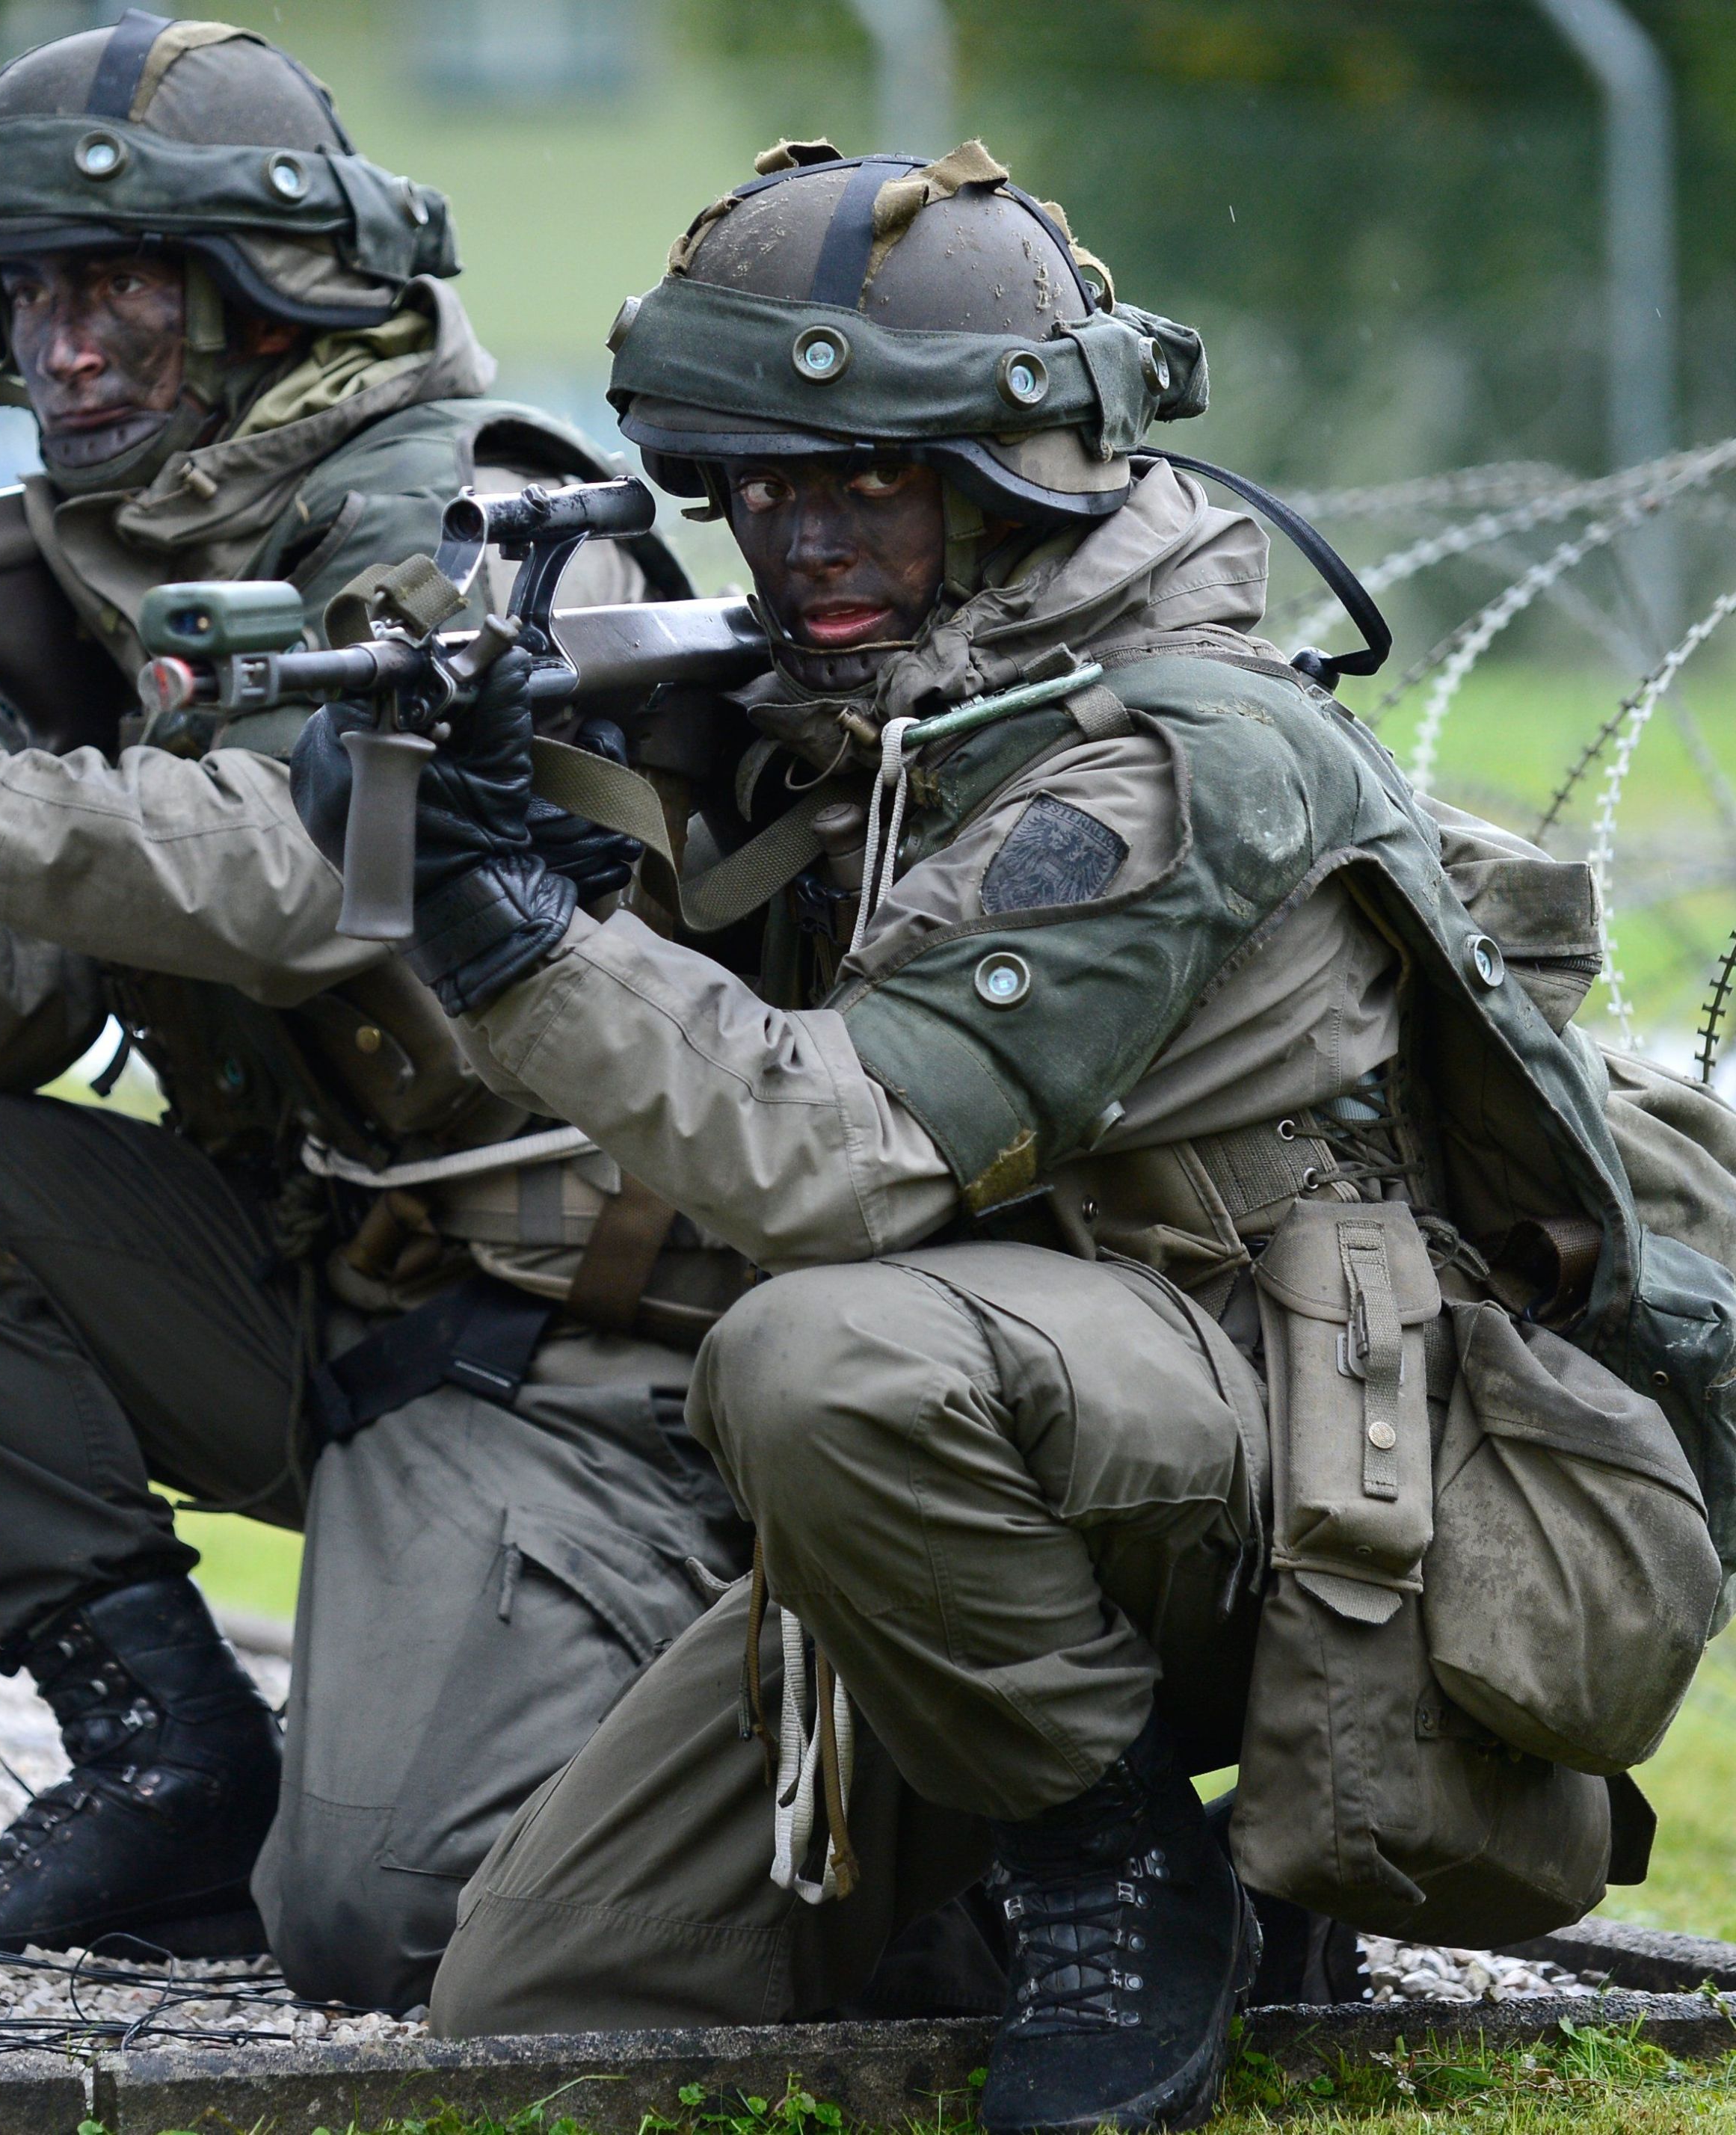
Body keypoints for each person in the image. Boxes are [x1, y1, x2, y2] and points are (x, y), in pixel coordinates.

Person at [292, 140, 1729, 2129]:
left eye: (867, 477)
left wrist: (517, 932)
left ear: (1020, 471)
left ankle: (1123, 1881)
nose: (804, 538)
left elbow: (841, 1158)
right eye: (763, 486)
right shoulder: (874, 727)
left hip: (1300, 1446)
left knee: (818, 1360)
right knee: (544, 1993)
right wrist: (547, 817)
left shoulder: (1154, 761)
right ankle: (1089, 1879)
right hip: (1008, 1457)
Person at [0, 13, 745, 2014]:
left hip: (582, 1357)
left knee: (383, 1925)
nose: (61, 346)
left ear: (277, 299)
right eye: (20, 293)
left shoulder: (468, 516)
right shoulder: (137, 548)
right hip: (328, 1299)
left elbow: (314, 879)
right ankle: (166, 1765)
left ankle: (972, 1862)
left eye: (114, 284)